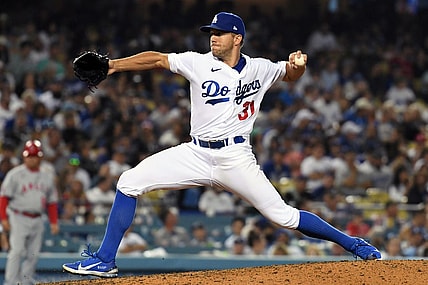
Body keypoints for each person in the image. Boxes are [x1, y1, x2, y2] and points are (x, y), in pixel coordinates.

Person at [62, 12, 381, 278]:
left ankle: (353, 244)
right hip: (195, 152)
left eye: (220, 33)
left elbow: (289, 73)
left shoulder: (259, 67)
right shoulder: (197, 62)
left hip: (236, 157)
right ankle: (105, 260)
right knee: (129, 182)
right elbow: (158, 60)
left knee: (283, 217)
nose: (213, 38)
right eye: (211, 33)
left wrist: (297, 66)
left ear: (237, 38)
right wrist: (115, 65)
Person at [0, 139, 59, 285]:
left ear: (40, 157)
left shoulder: (46, 177)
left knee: (33, 255)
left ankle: (25, 282)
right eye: (29, 156)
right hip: (18, 216)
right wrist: (4, 219)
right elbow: (4, 198)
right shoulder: (14, 174)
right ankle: (11, 282)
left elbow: (51, 202)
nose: (32, 159)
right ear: (24, 156)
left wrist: (53, 222)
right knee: (17, 251)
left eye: (35, 156)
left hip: (38, 218)